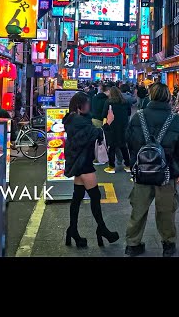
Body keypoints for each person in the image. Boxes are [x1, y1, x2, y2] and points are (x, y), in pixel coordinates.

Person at [125, 83, 179, 256]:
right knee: (166, 211)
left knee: (138, 210)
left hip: (142, 174)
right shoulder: (175, 120)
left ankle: (133, 244)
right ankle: (168, 245)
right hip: (166, 174)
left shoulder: (138, 117)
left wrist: (133, 165)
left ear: (151, 96)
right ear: (168, 97)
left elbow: (129, 143)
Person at [63, 92, 119, 248]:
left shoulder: (74, 119)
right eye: (86, 104)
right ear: (79, 107)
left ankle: (72, 230)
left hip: (79, 161)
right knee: (95, 196)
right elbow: (93, 135)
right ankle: (102, 229)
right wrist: (108, 123)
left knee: (78, 197)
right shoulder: (78, 122)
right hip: (83, 163)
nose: (89, 106)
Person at [102, 86, 132, 174]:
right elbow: (129, 113)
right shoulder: (125, 102)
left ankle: (111, 167)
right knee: (123, 146)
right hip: (123, 126)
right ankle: (128, 166)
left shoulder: (108, 102)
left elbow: (104, 114)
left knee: (111, 147)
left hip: (112, 127)